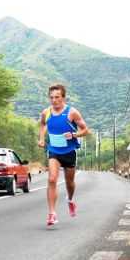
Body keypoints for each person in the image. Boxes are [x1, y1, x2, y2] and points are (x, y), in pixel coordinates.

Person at [38, 84, 89, 226]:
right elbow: (42, 125)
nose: (54, 100)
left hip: (69, 152)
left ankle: (70, 200)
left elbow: (85, 130)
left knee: (70, 183)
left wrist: (73, 134)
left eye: (57, 97)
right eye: (52, 97)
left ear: (63, 97)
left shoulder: (71, 112)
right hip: (54, 150)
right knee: (52, 179)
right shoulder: (46, 113)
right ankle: (52, 214)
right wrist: (42, 139)